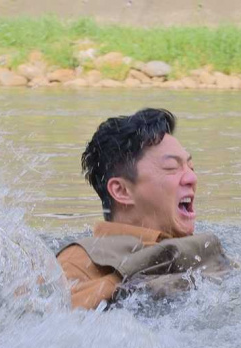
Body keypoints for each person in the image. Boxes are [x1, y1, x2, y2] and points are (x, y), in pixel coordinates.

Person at [57, 108, 229, 310]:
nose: (192, 178)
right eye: (172, 168)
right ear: (122, 190)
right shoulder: (78, 262)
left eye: (190, 167)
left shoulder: (200, 252)